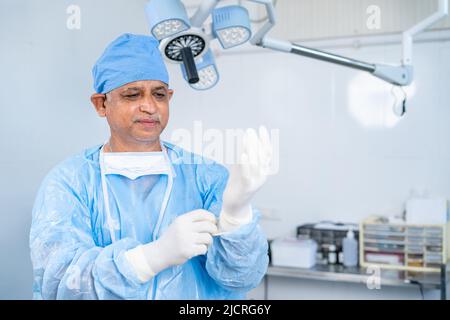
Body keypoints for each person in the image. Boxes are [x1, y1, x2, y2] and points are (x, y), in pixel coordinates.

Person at [29, 33, 272, 300]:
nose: (149, 106)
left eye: (159, 95)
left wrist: (236, 215)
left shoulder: (206, 177)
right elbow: (60, 286)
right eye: (132, 95)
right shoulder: (69, 183)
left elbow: (241, 279)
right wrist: (150, 258)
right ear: (101, 104)